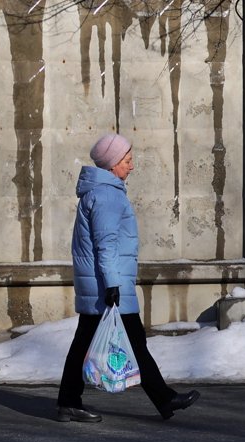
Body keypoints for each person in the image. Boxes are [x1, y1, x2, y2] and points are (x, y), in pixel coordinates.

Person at [56, 133, 200, 423]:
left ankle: (69, 402)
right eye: (127, 160)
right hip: (109, 287)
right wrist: (112, 285)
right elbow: (106, 244)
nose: (131, 166)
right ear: (112, 165)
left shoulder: (100, 192)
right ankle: (164, 398)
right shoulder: (107, 195)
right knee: (132, 341)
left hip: (102, 285)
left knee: (89, 342)